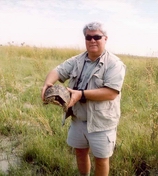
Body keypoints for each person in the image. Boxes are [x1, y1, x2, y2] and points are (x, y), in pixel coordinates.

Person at [41, 22, 126, 176]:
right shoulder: (77, 60)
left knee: (101, 160)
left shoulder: (115, 64)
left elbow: (111, 92)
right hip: (78, 119)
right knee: (80, 152)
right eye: (88, 37)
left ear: (105, 39)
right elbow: (58, 71)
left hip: (102, 122)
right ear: (85, 39)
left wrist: (81, 94)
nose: (92, 40)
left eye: (97, 37)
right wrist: (48, 83)